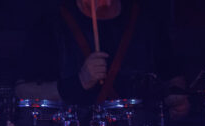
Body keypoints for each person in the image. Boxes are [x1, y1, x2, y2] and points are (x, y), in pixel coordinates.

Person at [15, 0, 189, 118]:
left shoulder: (146, 21)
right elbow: (23, 91)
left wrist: (175, 99)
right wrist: (78, 82)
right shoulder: (51, 24)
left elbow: (174, 79)